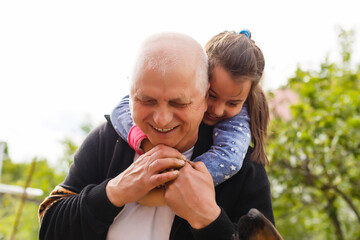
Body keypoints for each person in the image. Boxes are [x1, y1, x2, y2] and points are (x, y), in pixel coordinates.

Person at [38, 32, 274, 240]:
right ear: (129, 96)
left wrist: (208, 218)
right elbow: (49, 229)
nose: (161, 119)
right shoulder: (108, 140)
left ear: (204, 98)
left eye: (178, 103)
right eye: (146, 100)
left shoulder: (245, 169)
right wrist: (113, 192)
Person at [111, 30, 266, 191]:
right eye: (212, 95)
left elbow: (229, 160)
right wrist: (145, 141)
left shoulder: (239, 134)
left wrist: (172, 179)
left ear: (246, 99)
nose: (218, 110)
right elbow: (122, 109)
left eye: (233, 103)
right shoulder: (107, 140)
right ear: (200, 82)